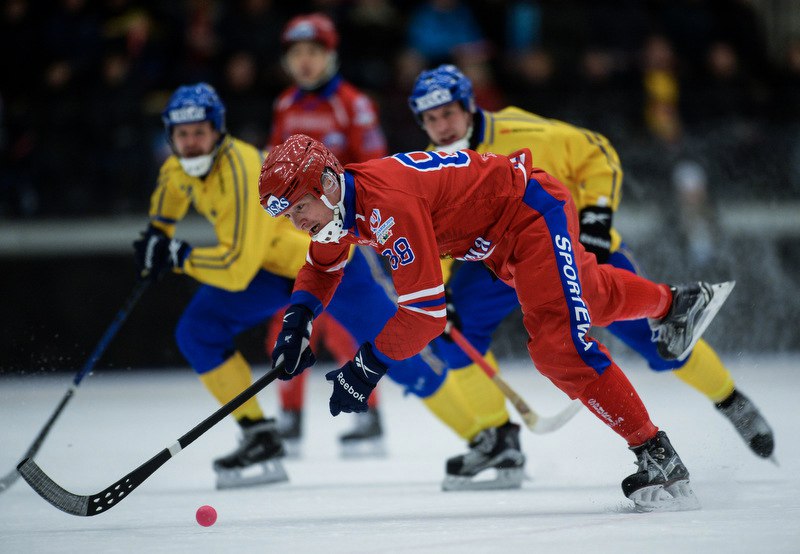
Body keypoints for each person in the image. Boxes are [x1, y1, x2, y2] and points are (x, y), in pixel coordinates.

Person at [259, 133, 732, 511]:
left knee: (557, 347)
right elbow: (322, 266)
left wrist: (366, 367)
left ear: (325, 182)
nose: (296, 222)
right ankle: (675, 303)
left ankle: (655, 452)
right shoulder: (343, 205)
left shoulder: (386, 206)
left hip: (528, 215)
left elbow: (424, 317)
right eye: (288, 213)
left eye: (298, 207)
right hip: (503, 232)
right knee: (586, 294)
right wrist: (296, 324)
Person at [404, 64, 774, 464]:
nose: (441, 126)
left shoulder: (521, 132)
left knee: (659, 339)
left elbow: (595, 152)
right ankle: (498, 440)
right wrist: (438, 288)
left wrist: (597, 216)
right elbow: (432, 231)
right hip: (499, 264)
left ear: (470, 107)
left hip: (573, 248)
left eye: (448, 113)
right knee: (454, 332)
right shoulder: (430, 164)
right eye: (430, 118)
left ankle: (729, 399)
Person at [132, 83, 445, 489]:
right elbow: (164, 218)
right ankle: (261, 436)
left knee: (391, 345)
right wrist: (155, 241)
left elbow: (234, 268)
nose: (191, 143)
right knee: (199, 332)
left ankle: (484, 429)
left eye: (199, 132)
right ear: (170, 137)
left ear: (217, 130)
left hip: (325, 250)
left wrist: (179, 257)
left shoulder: (241, 168)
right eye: (182, 134)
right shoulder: (176, 170)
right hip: (270, 268)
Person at [265, 12, 390, 455]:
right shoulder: (285, 105)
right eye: (296, 53)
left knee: (341, 324)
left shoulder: (353, 103)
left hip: (345, 228)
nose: (304, 61)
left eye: (312, 52)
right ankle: (290, 422)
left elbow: (377, 170)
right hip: (297, 232)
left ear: (330, 55)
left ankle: (368, 414)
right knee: (286, 323)